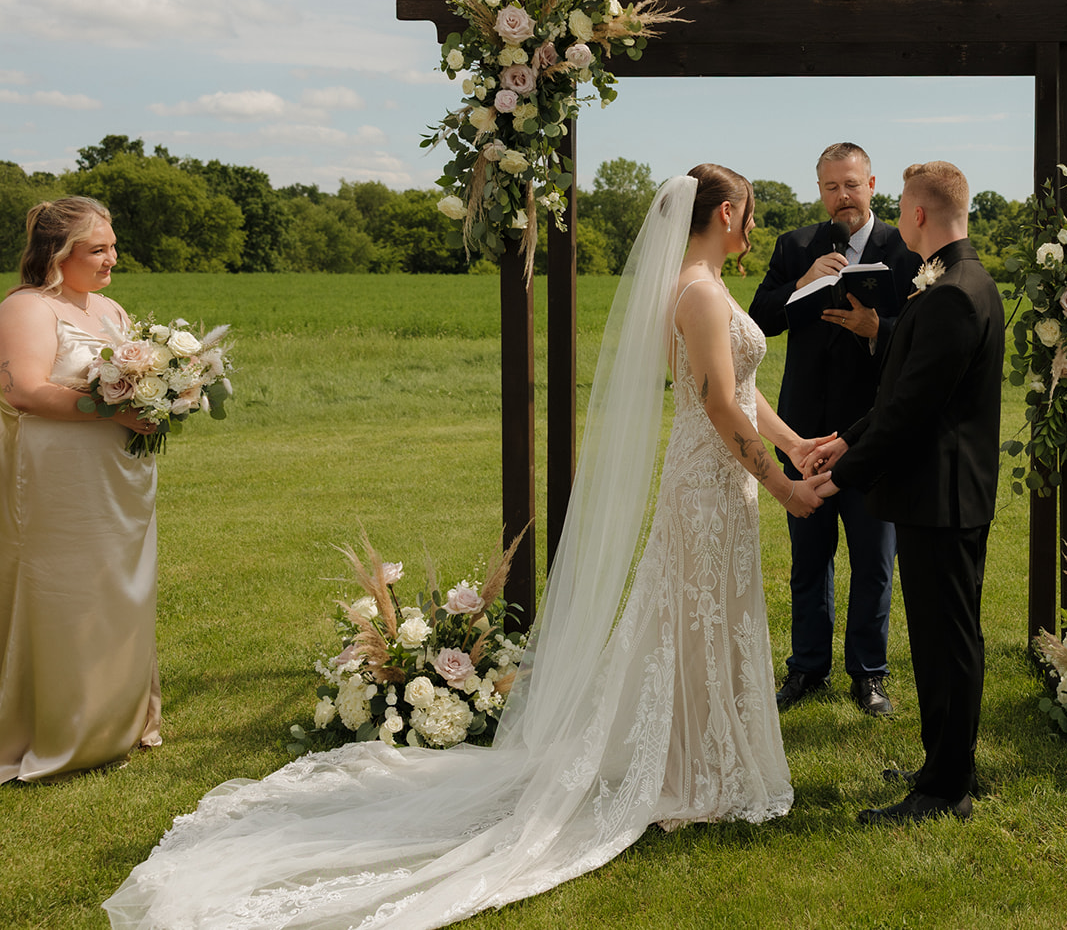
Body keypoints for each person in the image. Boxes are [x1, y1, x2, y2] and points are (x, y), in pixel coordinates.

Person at [105, 167, 834, 926]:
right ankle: (689, 772)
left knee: (703, 619)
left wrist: (793, 443)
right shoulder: (699, 292)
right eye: (749, 215)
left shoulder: (698, 287)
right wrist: (785, 488)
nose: (753, 229)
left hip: (718, 478)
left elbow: (741, 390)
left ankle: (698, 762)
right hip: (705, 484)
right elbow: (716, 399)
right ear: (725, 212)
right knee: (692, 620)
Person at [812, 161, 1004, 824]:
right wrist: (845, 437)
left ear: (919, 214)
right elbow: (899, 394)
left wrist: (841, 474)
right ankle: (946, 762)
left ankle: (946, 789)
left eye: (900, 206)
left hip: (941, 498)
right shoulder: (957, 282)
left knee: (947, 643)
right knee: (942, 640)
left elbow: (911, 412)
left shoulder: (953, 293)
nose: (897, 216)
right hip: (942, 495)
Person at [749, 142, 920, 716]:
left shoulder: (906, 249)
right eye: (831, 188)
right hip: (804, 427)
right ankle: (806, 669)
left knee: (874, 557)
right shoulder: (795, 245)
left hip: (874, 429)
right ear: (819, 188)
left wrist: (878, 328)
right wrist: (802, 280)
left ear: (872, 183)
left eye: (851, 185)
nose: (842, 197)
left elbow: (925, 336)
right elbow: (760, 319)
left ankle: (869, 673)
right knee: (809, 556)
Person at [1, 197, 163, 785]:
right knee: (64, 593)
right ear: (56, 253)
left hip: (121, 480)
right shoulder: (27, 308)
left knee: (118, 590)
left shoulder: (111, 310)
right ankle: (59, 728)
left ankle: (117, 720)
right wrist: (111, 411)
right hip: (58, 483)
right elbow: (24, 391)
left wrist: (164, 399)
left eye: (112, 246)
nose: (111, 259)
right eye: (98, 250)